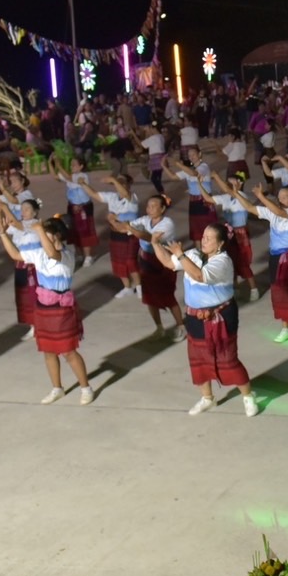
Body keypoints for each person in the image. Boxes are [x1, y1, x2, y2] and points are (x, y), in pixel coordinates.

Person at [158, 222, 258, 417]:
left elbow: (199, 275)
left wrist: (180, 255)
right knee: (199, 358)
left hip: (221, 316)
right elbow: (168, 263)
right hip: (195, 316)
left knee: (227, 358)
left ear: (220, 244)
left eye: (209, 238)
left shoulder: (223, 262)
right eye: (203, 237)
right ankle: (207, 398)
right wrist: (154, 243)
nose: (204, 241)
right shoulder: (193, 255)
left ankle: (248, 396)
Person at [0, 216, 94, 405]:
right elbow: (16, 255)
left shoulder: (66, 254)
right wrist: (3, 234)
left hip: (62, 309)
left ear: (57, 236)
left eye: (45, 235)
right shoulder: (39, 253)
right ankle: (57, 388)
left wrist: (39, 228)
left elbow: (52, 253)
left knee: (68, 351)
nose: (41, 239)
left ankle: (86, 388)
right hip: (43, 307)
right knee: (48, 351)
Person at [233, 181, 288, 344]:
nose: (281, 199)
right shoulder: (273, 212)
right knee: (280, 293)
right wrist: (235, 193)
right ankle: (285, 328)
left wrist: (261, 196)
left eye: (285, 197)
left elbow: (279, 212)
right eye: (280, 197)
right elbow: (250, 207)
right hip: (276, 258)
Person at [108, 195, 186, 339]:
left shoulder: (167, 223)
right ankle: (159, 328)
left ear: (162, 208)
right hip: (147, 261)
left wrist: (129, 228)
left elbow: (149, 238)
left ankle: (181, 326)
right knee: (149, 297)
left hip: (164, 262)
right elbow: (123, 228)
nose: (149, 209)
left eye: (153, 206)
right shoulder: (144, 220)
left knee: (168, 296)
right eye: (148, 206)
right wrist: (113, 221)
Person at [0, 195, 43, 341]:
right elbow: (0, 228)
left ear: (35, 212)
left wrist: (5, 208)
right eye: (22, 209)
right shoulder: (19, 225)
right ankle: (32, 326)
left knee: (35, 295)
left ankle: (40, 324)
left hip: (34, 266)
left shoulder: (35, 224)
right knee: (24, 297)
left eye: (27, 209)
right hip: (20, 264)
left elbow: (16, 223)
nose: (23, 211)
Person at [207, 169, 259, 302]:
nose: (229, 185)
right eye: (228, 183)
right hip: (229, 233)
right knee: (230, 262)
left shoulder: (242, 196)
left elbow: (228, 190)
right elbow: (208, 198)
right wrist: (199, 184)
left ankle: (254, 289)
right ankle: (235, 289)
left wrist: (216, 176)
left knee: (243, 262)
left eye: (232, 182)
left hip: (240, 234)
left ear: (240, 184)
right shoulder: (225, 198)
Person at [95, 174, 143, 298]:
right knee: (118, 262)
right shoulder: (114, 197)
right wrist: (83, 184)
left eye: (122, 182)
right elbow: (95, 195)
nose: (119, 184)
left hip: (129, 235)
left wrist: (112, 179)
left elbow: (125, 194)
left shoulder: (132, 197)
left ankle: (140, 287)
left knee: (131, 261)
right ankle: (127, 287)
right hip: (115, 235)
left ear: (129, 184)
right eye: (118, 182)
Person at [51, 154, 98, 268]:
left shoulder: (82, 176)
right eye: (71, 164)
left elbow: (68, 177)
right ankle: (79, 254)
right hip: (72, 206)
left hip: (83, 208)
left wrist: (59, 165)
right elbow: (56, 177)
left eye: (74, 164)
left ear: (81, 166)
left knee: (85, 231)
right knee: (73, 230)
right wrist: (51, 164)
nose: (72, 166)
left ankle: (88, 256)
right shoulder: (70, 176)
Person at [165, 145, 216, 243]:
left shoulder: (204, 167)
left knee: (207, 229)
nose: (191, 157)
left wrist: (177, 164)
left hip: (204, 201)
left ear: (199, 154)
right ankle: (198, 250)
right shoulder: (188, 169)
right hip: (193, 202)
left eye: (193, 154)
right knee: (196, 229)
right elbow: (173, 176)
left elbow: (194, 174)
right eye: (189, 155)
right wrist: (164, 166)